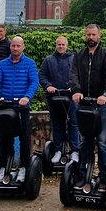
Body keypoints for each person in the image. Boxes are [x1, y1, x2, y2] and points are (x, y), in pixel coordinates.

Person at [70, 24, 106, 191]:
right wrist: (76, 91)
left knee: (102, 142)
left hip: (99, 104)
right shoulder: (79, 55)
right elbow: (73, 74)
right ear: (85, 36)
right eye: (88, 34)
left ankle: (103, 177)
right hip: (83, 105)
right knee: (84, 142)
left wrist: (105, 93)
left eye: (93, 34)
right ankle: (82, 176)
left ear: (99, 36)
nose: (91, 37)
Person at [0, 36, 39, 183]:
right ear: (10, 47)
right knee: (5, 139)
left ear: (23, 47)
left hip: (21, 108)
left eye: (18, 46)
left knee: (24, 139)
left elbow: (34, 82)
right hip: (5, 107)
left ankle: (24, 167)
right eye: (13, 46)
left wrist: (27, 97)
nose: (15, 48)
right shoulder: (2, 64)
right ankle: (4, 167)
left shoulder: (30, 63)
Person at [39, 36, 80, 164]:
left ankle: (75, 151)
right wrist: (48, 86)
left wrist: (74, 87)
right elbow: (42, 75)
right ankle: (57, 150)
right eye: (59, 44)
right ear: (56, 45)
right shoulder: (49, 60)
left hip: (70, 97)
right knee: (57, 124)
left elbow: (79, 76)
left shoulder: (74, 59)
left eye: (63, 44)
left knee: (73, 123)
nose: (61, 46)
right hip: (54, 97)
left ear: (66, 45)